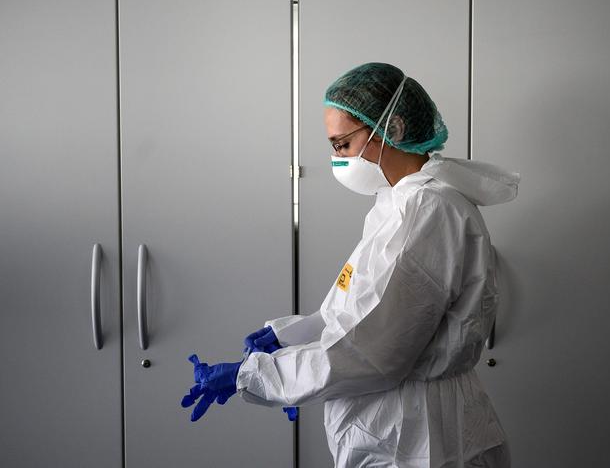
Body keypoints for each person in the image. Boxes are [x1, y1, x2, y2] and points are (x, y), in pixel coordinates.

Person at [182, 62, 520, 467]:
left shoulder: (428, 210)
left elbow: (373, 353)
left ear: (391, 129)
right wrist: (289, 335)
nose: (336, 158)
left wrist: (254, 375)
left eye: (342, 144)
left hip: (419, 438)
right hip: (400, 428)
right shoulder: (398, 203)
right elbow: (361, 308)